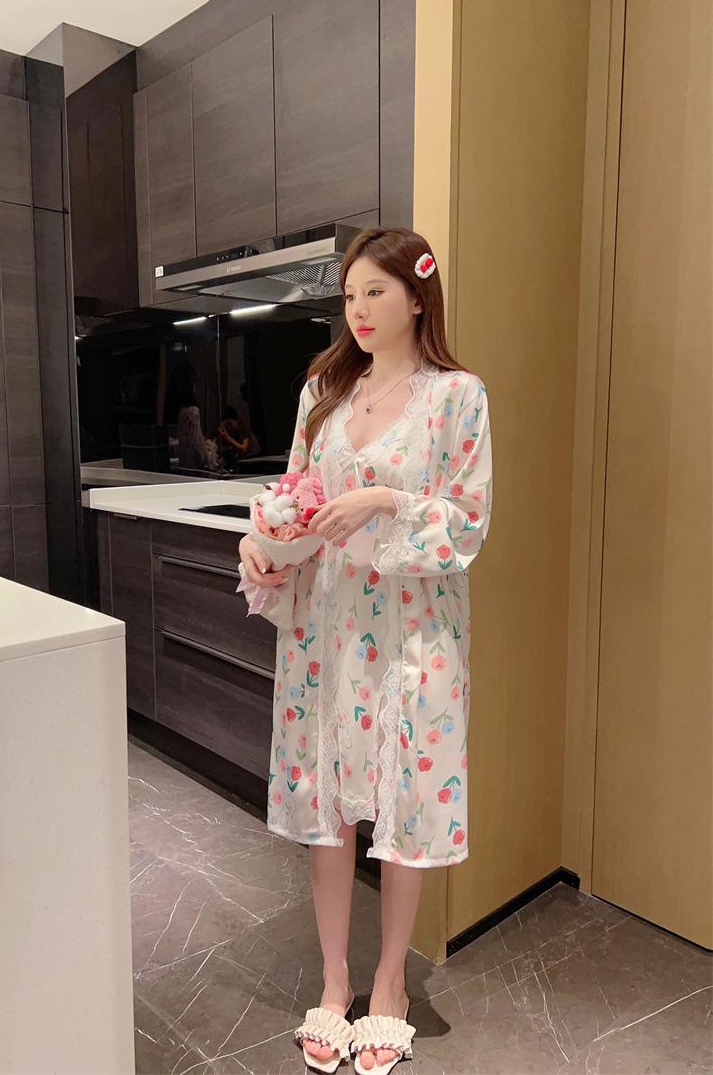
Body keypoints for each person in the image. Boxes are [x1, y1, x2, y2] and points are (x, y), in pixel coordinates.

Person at [237, 227, 494, 1073]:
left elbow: (468, 522)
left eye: (375, 292)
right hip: (328, 628)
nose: (359, 309)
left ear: (418, 297)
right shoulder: (324, 392)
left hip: (415, 631)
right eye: (350, 296)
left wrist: (384, 500)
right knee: (330, 804)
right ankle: (335, 977)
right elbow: (296, 497)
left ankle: (389, 985)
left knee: (406, 799)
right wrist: (263, 543)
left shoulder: (457, 397)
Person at [176, 379, 218, 471]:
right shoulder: (194, 411)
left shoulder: (182, 411)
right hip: (193, 456)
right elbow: (196, 437)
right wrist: (205, 457)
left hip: (184, 455)